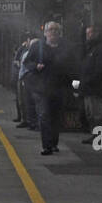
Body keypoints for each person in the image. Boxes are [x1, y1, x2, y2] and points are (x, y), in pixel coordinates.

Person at [21, 21, 74, 155]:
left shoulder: (66, 47)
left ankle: (54, 143)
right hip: (41, 88)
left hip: (59, 87)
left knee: (56, 117)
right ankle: (46, 146)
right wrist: (35, 67)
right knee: (44, 115)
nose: (53, 32)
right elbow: (27, 62)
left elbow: (73, 64)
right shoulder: (37, 46)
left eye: (56, 30)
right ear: (45, 33)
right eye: (50, 30)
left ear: (60, 33)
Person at [79, 25, 102, 144]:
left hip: (96, 88)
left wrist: (89, 80)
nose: (89, 35)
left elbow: (100, 69)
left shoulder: (101, 48)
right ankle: (95, 135)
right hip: (88, 88)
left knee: (97, 115)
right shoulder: (90, 49)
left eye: (91, 33)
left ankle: (100, 137)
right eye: (87, 33)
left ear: (97, 33)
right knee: (90, 114)